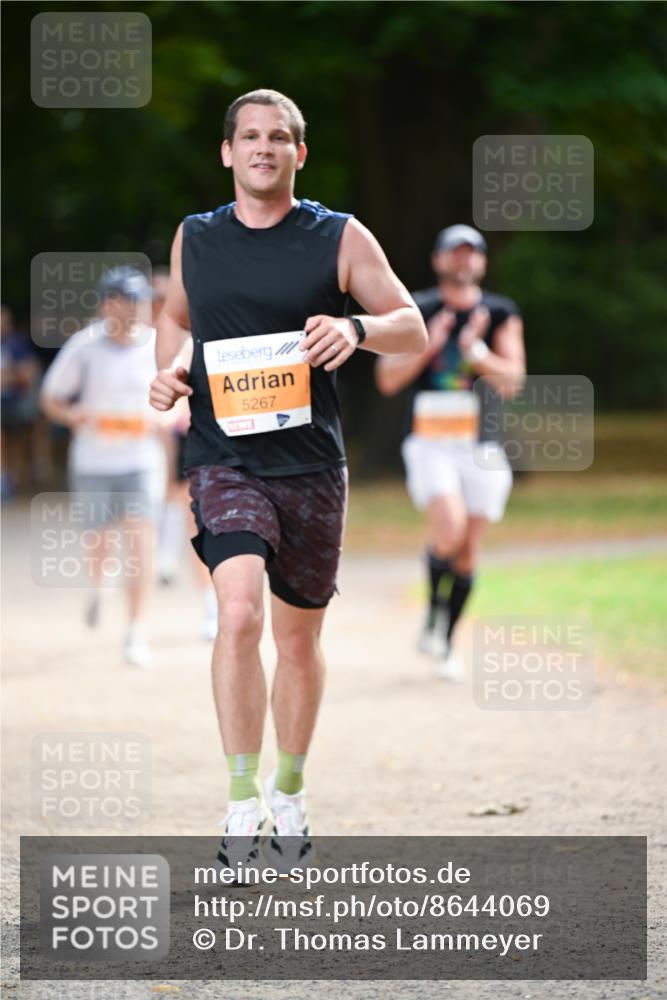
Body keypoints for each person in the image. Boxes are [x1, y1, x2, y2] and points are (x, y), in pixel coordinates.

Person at [149, 88, 426, 866]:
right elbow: (174, 316)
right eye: (249, 136)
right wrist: (170, 368)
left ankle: (290, 789)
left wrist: (355, 326)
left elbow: (413, 325)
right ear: (227, 152)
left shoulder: (337, 236)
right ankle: (240, 802)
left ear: (298, 153)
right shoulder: (196, 239)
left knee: (297, 641)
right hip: (221, 456)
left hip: (309, 465)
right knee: (237, 614)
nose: (263, 147)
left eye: (279, 137)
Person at [376, 224, 526, 680]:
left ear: (481, 262)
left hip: (480, 443)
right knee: (451, 527)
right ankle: (435, 611)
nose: (463, 261)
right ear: (439, 260)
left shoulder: (499, 312)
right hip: (429, 441)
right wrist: (431, 346)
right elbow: (387, 380)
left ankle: (443, 636)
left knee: (468, 550)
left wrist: (474, 351)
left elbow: (513, 381)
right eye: (454, 254)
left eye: (472, 254)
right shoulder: (417, 309)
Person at [40, 266, 164, 667]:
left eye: (140, 300)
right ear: (108, 303)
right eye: (127, 300)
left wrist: (162, 418)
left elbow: (177, 399)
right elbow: (51, 399)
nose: (135, 308)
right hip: (94, 461)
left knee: (140, 541)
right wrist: (75, 415)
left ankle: (136, 630)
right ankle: (98, 585)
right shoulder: (84, 346)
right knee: (99, 544)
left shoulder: (158, 345)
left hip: (141, 459)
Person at [152, 267, 218, 639]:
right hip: (185, 435)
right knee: (190, 514)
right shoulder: (173, 340)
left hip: (227, 441)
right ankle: (209, 604)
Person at [1, 305, 41, 499]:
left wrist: (10, 377)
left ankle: (10, 479)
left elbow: (29, 372)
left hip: (14, 402)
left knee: (17, 437)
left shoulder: (17, 343)